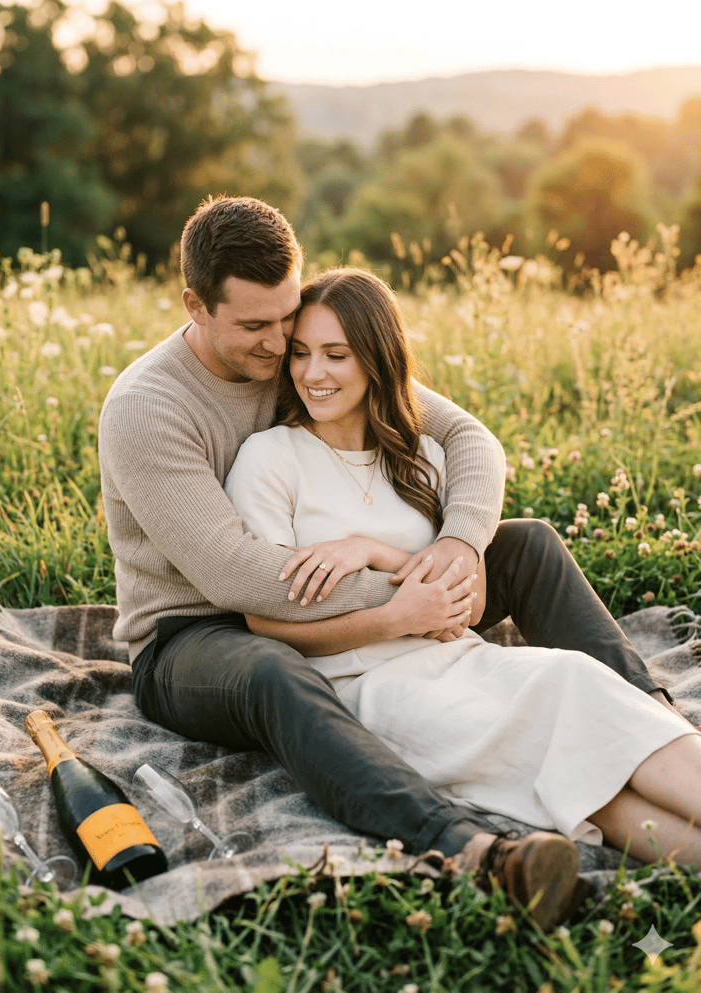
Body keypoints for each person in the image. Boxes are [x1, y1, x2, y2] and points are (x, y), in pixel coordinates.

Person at [98, 195, 667, 930]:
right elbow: (236, 576)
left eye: (287, 318)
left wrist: (456, 546)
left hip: (341, 590)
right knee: (275, 671)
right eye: (255, 327)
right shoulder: (149, 406)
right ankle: (474, 850)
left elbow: (468, 438)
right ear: (195, 306)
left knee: (523, 544)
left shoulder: (303, 348)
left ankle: (651, 723)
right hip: (194, 637)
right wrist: (405, 598)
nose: (281, 348)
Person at [223, 265, 701, 883]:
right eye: (302, 353)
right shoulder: (270, 460)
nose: (313, 374)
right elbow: (264, 621)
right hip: (369, 690)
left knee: (577, 687)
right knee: (570, 756)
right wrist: (392, 618)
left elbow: (464, 601)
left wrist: (373, 549)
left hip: (459, 658)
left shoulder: (422, 456)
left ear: (376, 358)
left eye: (336, 355)